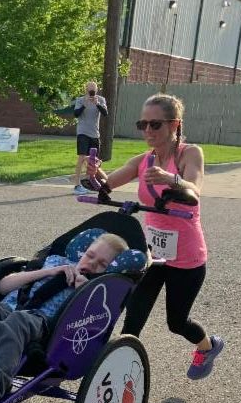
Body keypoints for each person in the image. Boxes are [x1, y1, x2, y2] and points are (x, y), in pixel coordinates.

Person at [89, 93, 224, 380]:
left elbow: (194, 187)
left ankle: (208, 346)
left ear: (174, 124)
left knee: (177, 322)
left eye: (155, 124)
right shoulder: (143, 160)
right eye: (143, 124)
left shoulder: (190, 153)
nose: (148, 131)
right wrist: (96, 174)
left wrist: (170, 179)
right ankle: (119, 377)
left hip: (186, 258)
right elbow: (107, 183)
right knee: (132, 319)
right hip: (153, 254)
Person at [0, 232, 127, 403]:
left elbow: (92, 325)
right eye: (90, 255)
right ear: (83, 252)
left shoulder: (97, 290)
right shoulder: (55, 262)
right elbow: (2, 286)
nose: (92, 263)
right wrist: (50, 272)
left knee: (17, 322)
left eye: (102, 264)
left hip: (43, 325)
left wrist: (82, 292)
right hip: (11, 307)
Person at [72, 81, 108, 185]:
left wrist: (97, 104)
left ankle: (90, 180)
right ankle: (77, 183)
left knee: (95, 160)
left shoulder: (101, 100)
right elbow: (76, 114)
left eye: (94, 89)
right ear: (86, 89)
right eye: (90, 88)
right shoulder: (80, 100)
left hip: (95, 133)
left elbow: (105, 113)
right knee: (82, 157)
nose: (92, 90)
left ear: (96, 90)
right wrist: (84, 104)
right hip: (82, 132)